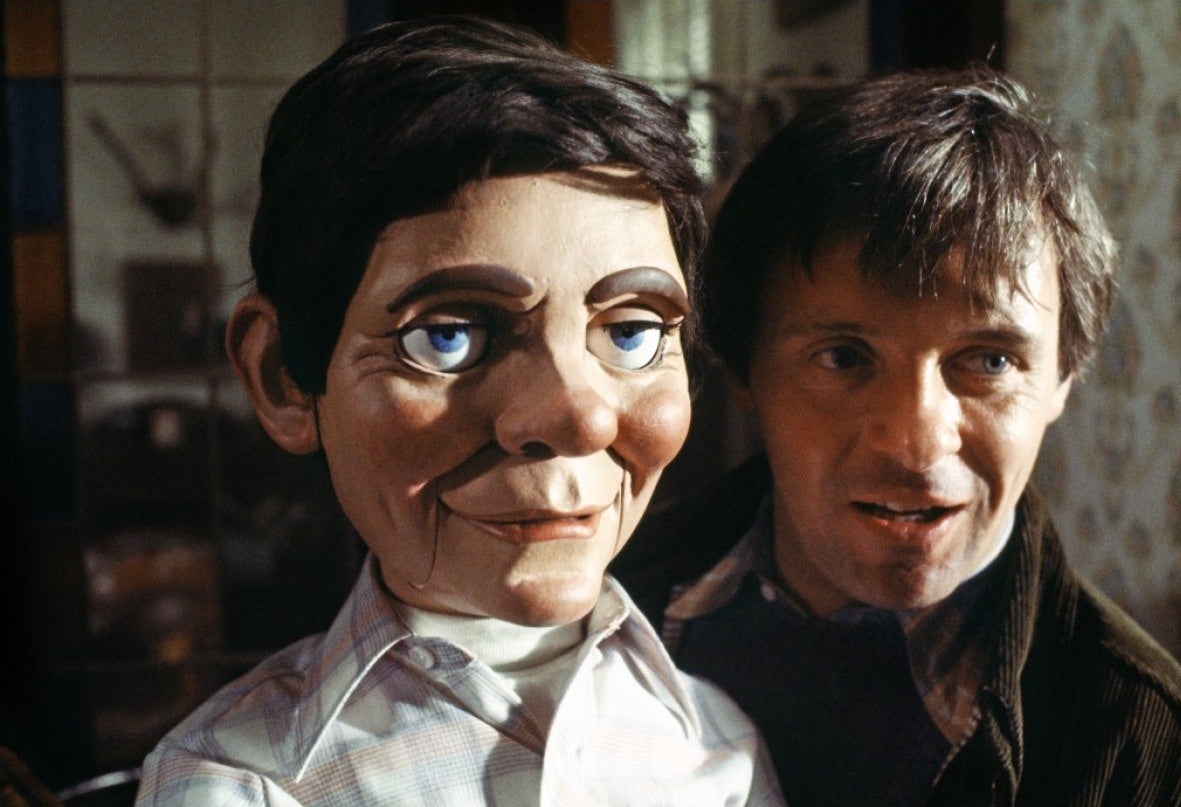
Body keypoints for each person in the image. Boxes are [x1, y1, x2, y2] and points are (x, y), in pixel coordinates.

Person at [135, 17, 781, 806]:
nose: (579, 418)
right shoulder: (243, 780)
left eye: (632, 332)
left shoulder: (717, 748)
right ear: (283, 378)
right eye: (448, 335)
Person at [613, 67, 1181, 805]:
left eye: (989, 361)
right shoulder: (600, 604)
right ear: (743, 369)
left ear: (1063, 377)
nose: (917, 445)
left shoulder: (1151, 756)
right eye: (843, 357)